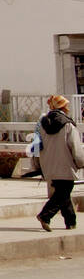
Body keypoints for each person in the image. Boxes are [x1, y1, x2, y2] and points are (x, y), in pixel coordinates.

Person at [35, 94, 83, 231]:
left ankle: (71, 222)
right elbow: (75, 146)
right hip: (65, 164)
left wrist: (38, 165)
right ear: (63, 108)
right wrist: (80, 162)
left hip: (48, 165)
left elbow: (36, 146)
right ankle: (45, 215)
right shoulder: (68, 125)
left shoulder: (42, 124)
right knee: (64, 191)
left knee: (63, 192)